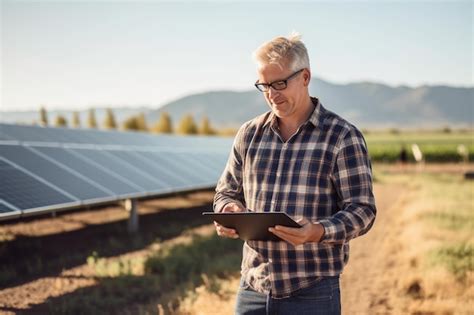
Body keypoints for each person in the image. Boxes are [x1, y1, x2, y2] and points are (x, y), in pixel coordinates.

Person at [213, 33, 376, 315]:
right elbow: (225, 191)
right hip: (253, 288)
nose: (272, 94)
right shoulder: (249, 134)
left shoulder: (341, 136)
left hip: (311, 291)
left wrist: (318, 231)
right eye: (263, 85)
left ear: (305, 77)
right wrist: (228, 209)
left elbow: (363, 211)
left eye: (279, 83)